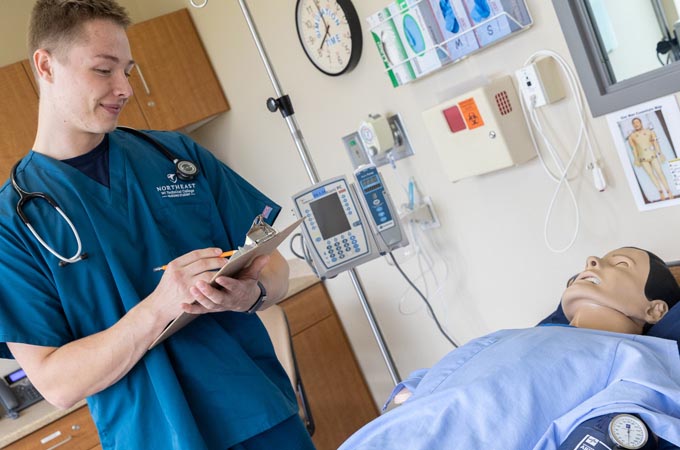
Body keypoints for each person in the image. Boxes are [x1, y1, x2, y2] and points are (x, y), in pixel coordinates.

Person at [0, 1, 315, 449]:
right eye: (104, 70)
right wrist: (159, 307)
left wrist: (253, 292)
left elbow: (274, 265)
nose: (124, 88)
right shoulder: (13, 224)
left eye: (128, 70)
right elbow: (56, 383)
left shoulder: (176, 158)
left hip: (259, 412)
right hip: (153, 435)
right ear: (46, 66)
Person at [339, 247, 680, 450]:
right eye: (595, 260)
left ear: (654, 310)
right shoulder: (507, 335)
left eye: (620, 265)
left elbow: (621, 428)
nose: (592, 261)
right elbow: (426, 383)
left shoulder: (635, 357)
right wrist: (408, 396)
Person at [628, 117, 675, 201]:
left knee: (660, 173)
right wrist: (636, 159)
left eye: (637, 122)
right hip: (643, 158)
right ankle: (660, 191)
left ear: (641, 122)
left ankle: (668, 191)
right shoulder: (632, 136)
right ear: (632, 125)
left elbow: (655, 143)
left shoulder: (650, 132)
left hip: (653, 156)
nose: (636, 124)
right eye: (634, 123)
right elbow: (634, 149)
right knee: (651, 175)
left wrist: (660, 154)